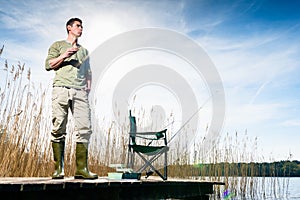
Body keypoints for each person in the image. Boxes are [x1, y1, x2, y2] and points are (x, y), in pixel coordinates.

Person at [45, 17, 97, 179]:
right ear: (69, 28)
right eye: (78, 26)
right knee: (59, 128)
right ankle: (58, 169)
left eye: (82, 26)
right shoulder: (58, 45)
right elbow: (48, 65)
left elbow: (88, 72)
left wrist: (88, 86)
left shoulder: (84, 51)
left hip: (80, 92)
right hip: (61, 89)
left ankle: (81, 169)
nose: (81, 29)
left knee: (85, 128)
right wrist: (64, 55)